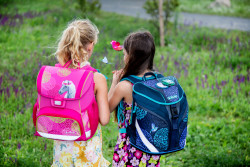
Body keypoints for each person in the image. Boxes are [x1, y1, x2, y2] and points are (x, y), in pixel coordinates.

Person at [51, 19, 110, 167]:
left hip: (63, 149)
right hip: (88, 151)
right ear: (90, 45)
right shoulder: (97, 78)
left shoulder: (56, 74)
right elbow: (104, 119)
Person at [108, 31, 161, 167]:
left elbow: (107, 107)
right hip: (151, 147)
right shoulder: (158, 81)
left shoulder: (125, 86)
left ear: (131, 57)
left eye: (125, 54)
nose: (124, 58)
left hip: (130, 147)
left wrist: (115, 82)